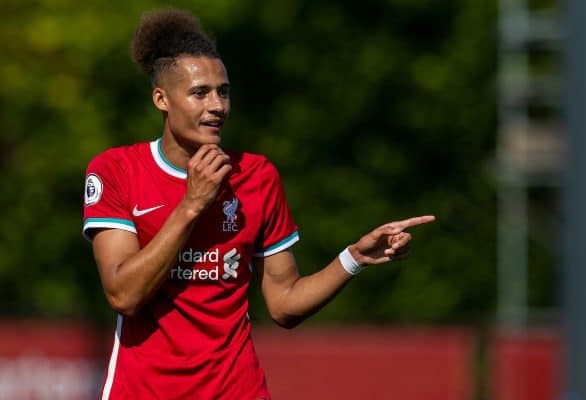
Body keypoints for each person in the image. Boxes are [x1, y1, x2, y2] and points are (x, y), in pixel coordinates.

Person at [82, 7, 435, 400]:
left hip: (237, 391)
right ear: (161, 99)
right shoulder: (116, 170)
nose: (217, 105)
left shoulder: (257, 175)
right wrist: (192, 205)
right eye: (200, 93)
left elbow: (284, 304)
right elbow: (123, 296)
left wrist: (353, 258)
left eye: (224, 91)